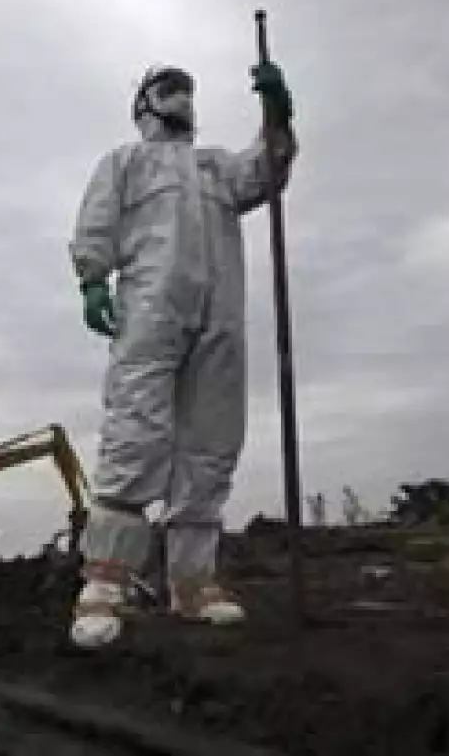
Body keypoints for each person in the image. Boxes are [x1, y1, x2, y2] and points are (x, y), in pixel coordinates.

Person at [67, 59, 298, 649]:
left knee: (210, 442)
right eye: (168, 88)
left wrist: (277, 113)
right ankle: (105, 582)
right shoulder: (125, 162)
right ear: (144, 103)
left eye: (187, 89)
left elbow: (266, 172)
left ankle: (192, 583)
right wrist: (93, 279)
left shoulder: (215, 166)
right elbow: (96, 222)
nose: (181, 98)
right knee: (136, 431)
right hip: (152, 309)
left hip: (219, 316)